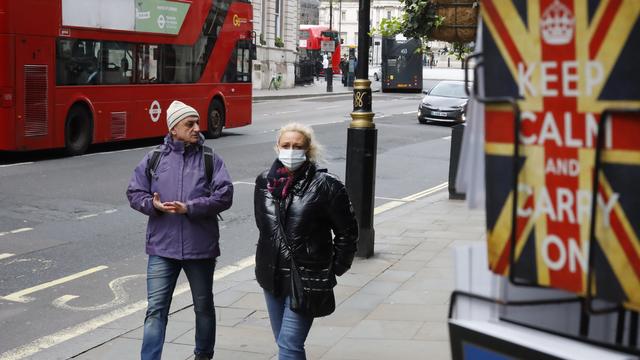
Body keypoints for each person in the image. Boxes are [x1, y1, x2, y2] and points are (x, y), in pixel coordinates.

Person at [127, 100, 233, 360]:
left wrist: (190, 207)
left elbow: (225, 195)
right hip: (162, 248)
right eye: (190, 124)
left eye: (197, 123)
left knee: (203, 307)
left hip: (200, 248)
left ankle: (203, 356)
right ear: (174, 128)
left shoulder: (210, 159)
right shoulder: (154, 158)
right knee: (156, 310)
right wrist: (151, 205)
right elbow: (134, 191)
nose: (197, 128)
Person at [254, 122, 358, 360]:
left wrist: (334, 268)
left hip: (307, 278)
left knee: (289, 345)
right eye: (286, 145)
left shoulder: (326, 185)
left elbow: (347, 233)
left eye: (298, 146)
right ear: (277, 147)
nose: (291, 151)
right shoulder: (264, 182)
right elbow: (264, 227)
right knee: (285, 345)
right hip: (272, 277)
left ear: (308, 150)